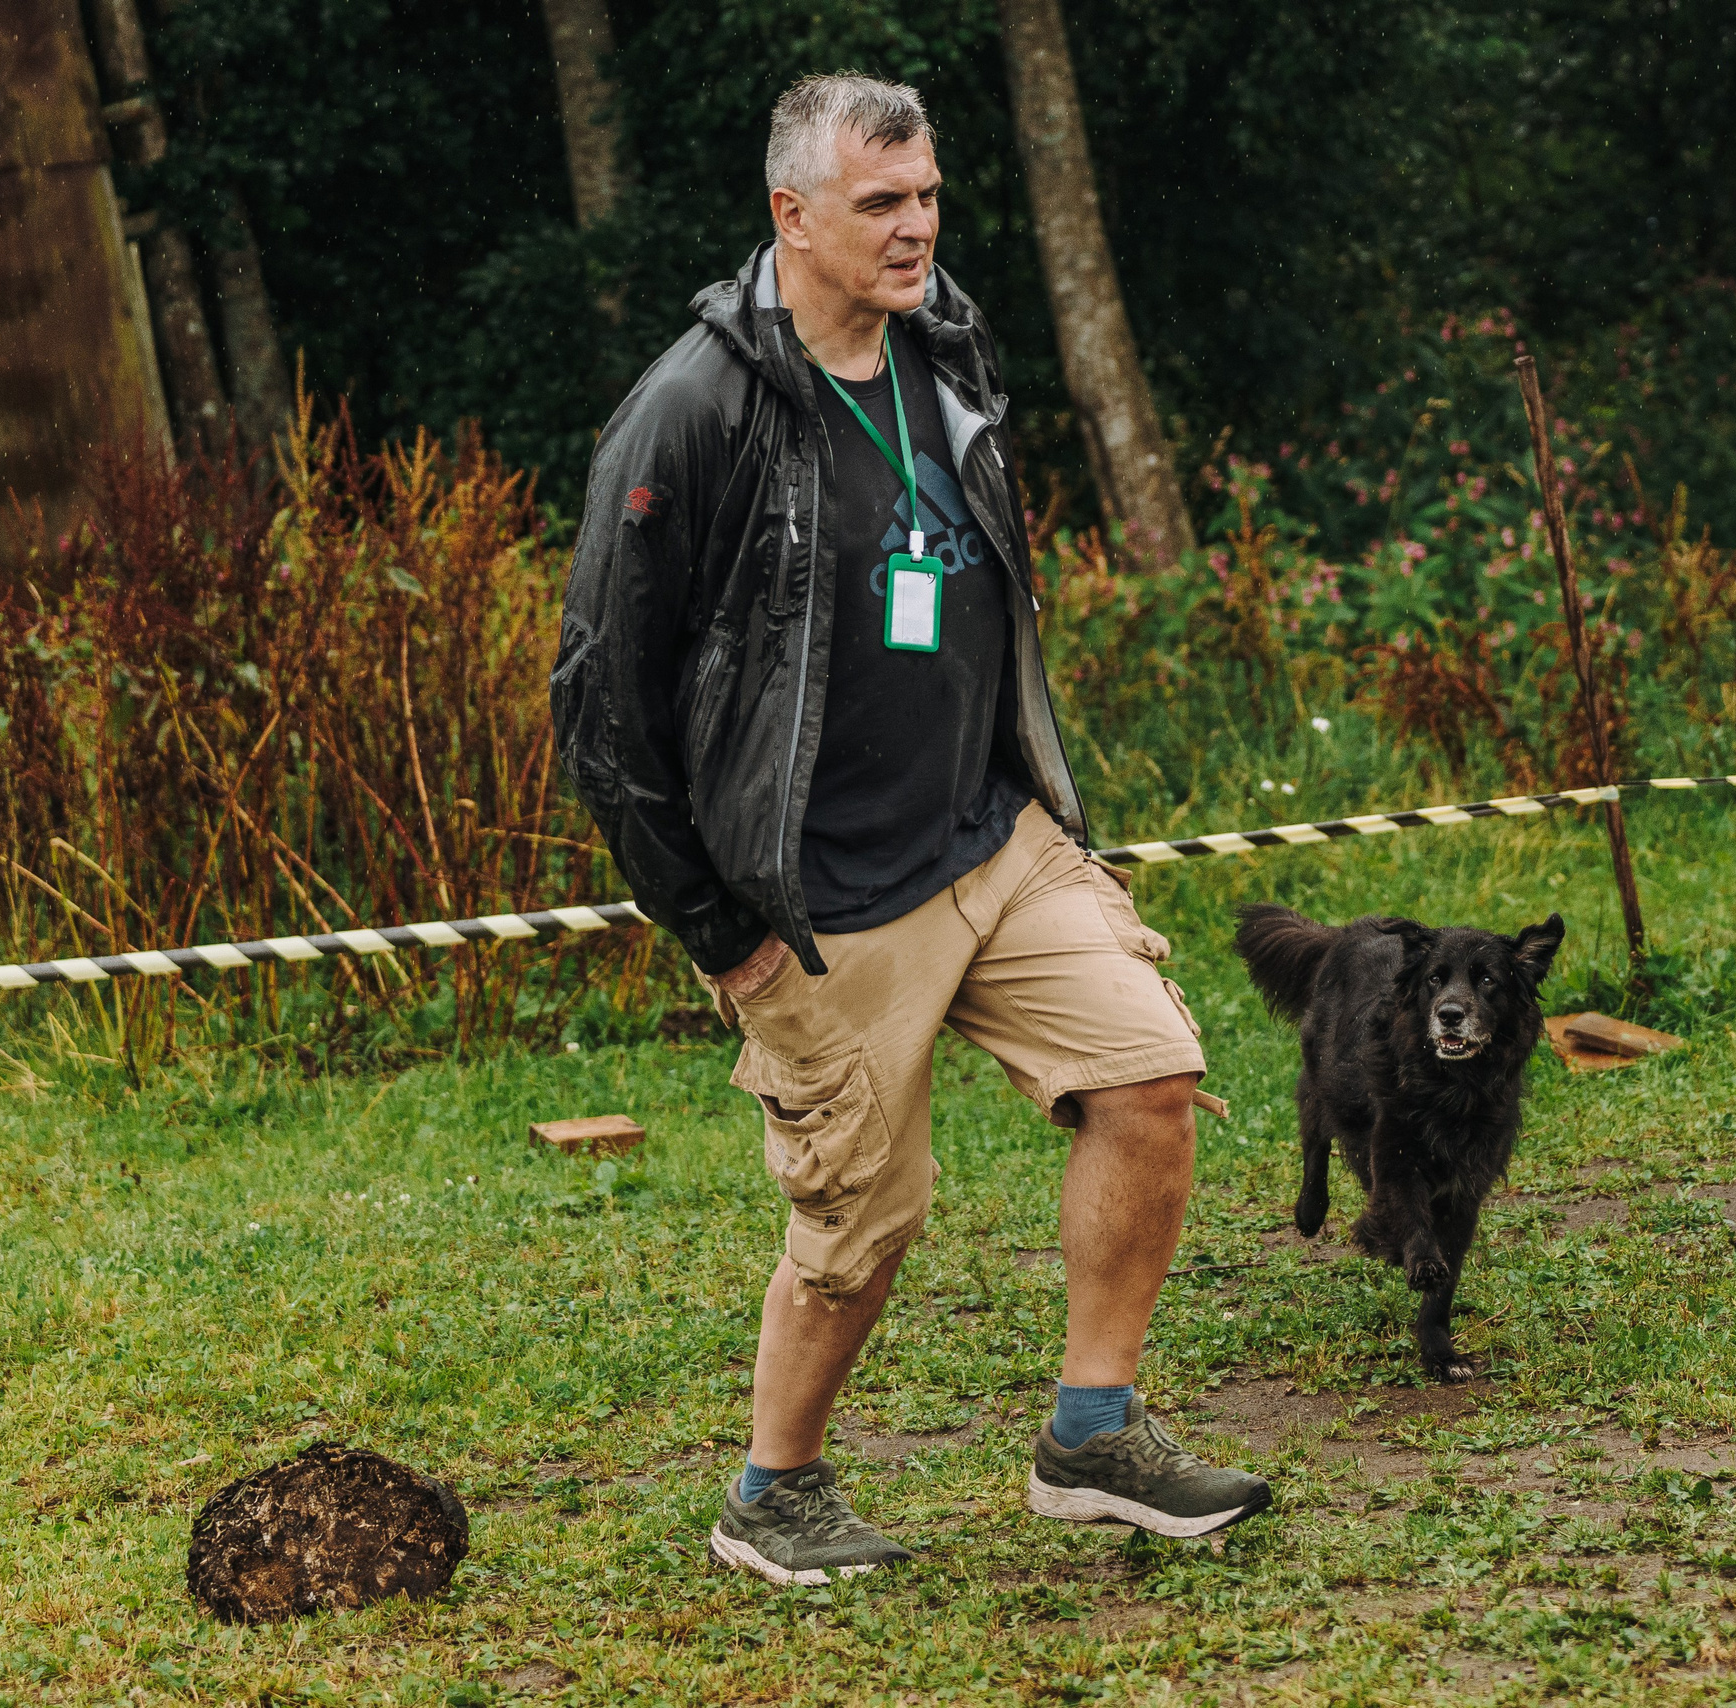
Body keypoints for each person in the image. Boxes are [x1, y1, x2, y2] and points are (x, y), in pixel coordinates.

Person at [549, 72, 1269, 1586]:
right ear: (789, 217)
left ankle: (1092, 1431)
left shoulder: (945, 344)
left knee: (1150, 1075)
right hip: (818, 905)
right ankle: (775, 1493)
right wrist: (723, 936)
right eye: (881, 203)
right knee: (861, 1235)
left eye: (928, 194)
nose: (916, 226)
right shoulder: (693, 410)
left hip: (992, 836)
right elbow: (604, 709)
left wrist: (1028, 790)